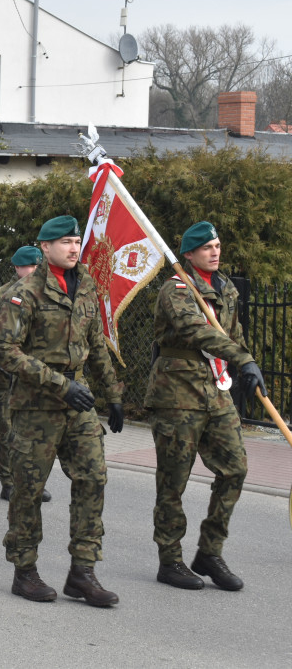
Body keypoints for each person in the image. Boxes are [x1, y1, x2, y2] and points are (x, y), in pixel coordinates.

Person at [0, 215, 124, 607]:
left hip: (78, 404)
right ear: (45, 247)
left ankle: (83, 572)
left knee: (93, 479)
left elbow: (96, 344)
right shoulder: (24, 292)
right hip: (37, 405)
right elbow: (6, 352)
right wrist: (61, 385)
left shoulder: (86, 286)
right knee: (28, 491)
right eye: (64, 241)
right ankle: (25, 570)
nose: (72, 247)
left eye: (76, 240)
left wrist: (114, 394)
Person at [146, 221, 262, 592]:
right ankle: (171, 560)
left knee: (235, 469)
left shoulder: (225, 287)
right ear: (189, 253)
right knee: (172, 481)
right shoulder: (176, 289)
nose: (215, 251)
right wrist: (240, 357)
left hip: (215, 393)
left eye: (217, 245)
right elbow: (196, 331)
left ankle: (209, 552)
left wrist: (246, 365)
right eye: (207, 247)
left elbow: (232, 333)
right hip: (176, 395)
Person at [0, 245, 50, 502]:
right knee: (9, 430)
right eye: (29, 266)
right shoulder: (2, 294)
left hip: (36, 375)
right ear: (17, 268)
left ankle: (32, 480)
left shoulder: (50, 295)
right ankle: (9, 482)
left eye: (39, 266)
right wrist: (1, 347)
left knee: (37, 432)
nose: (35, 271)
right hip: (6, 375)